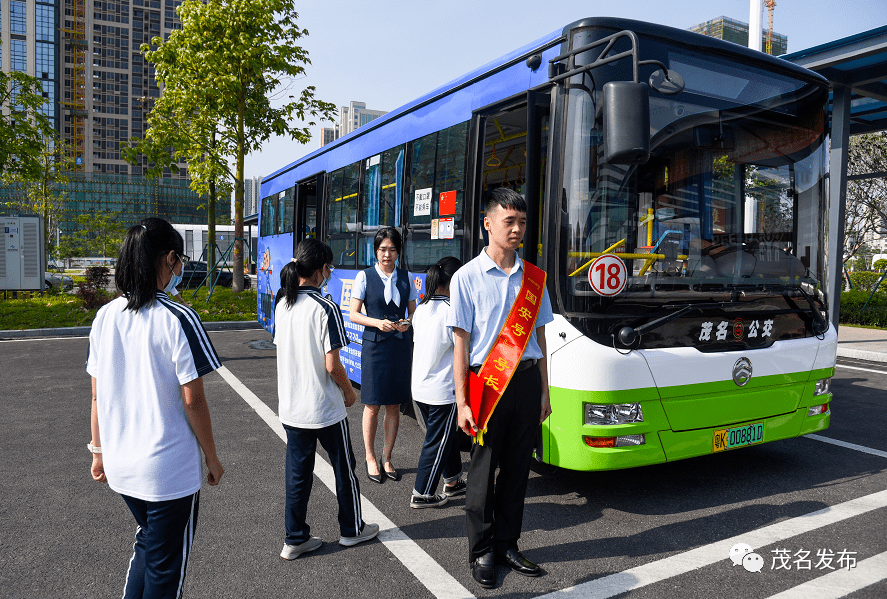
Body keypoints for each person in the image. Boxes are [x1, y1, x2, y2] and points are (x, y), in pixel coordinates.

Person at [87, 217, 224, 598]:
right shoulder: (178, 317)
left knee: (148, 546)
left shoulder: (105, 317)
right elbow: (192, 399)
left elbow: (96, 395)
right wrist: (212, 459)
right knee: (166, 569)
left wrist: (98, 453)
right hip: (167, 472)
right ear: (168, 259)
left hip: (121, 465)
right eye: (179, 259)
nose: (180, 267)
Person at [448, 188, 554, 589]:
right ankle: (482, 551)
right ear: (487, 223)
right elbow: (460, 345)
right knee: (481, 475)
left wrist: (546, 391)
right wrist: (461, 401)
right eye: (509, 221)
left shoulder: (533, 277)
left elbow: (541, 341)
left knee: (516, 471)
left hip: (526, 381)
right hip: (488, 384)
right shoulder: (466, 278)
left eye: (522, 222)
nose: (516, 229)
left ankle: (508, 544)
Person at [276, 239, 379, 560]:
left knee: (297, 476)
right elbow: (332, 364)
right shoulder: (326, 307)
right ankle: (352, 529)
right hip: (324, 408)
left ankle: (294, 538)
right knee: (343, 469)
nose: (330, 273)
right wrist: (349, 392)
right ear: (321, 270)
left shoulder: (283, 304)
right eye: (329, 268)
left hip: (292, 409)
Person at [349, 228, 417, 484]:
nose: (387, 254)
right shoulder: (364, 277)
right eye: (382, 249)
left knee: (393, 405)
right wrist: (378, 323)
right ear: (375, 250)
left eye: (392, 249)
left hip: (399, 346)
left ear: (398, 251)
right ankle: (369, 457)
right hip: (375, 346)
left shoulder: (406, 277)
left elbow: (414, 313)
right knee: (372, 404)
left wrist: (407, 323)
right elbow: (354, 313)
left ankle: (387, 457)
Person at [410, 256, 467, 509]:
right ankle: (422, 492)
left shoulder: (422, 308)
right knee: (437, 441)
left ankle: (453, 480)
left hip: (419, 386)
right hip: (442, 389)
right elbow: (463, 351)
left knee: (446, 437)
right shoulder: (451, 311)